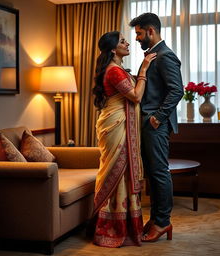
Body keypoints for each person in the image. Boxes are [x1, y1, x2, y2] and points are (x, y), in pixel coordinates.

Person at [92, 31, 156, 247]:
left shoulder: (117, 70)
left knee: (124, 173)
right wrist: (144, 69)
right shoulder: (114, 72)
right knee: (117, 172)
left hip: (116, 122)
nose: (127, 43)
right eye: (122, 41)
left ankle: (126, 223)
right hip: (115, 125)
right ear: (112, 49)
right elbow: (136, 96)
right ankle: (112, 227)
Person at [129, 13, 184, 242]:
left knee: (159, 172)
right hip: (149, 123)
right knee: (153, 173)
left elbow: (177, 90)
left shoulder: (165, 56)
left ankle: (162, 222)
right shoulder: (154, 55)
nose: (137, 38)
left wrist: (157, 118)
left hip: (155, 125)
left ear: (150, 31)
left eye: (139, 33)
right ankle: (156, 218)